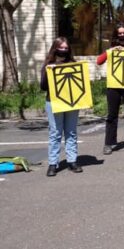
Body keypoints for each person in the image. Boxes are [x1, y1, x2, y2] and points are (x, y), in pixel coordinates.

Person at [96, 23, 124, 154]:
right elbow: (99, 61)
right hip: (114, 85)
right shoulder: (112, 47)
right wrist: (111, 51)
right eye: (120, 33)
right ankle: (109, 143)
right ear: (116, 35)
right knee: (112, 115)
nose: (122, 35)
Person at [40, 37, 82, 176]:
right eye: (61, 48)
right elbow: (43, 87)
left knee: (71, 132)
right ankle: (53, 163)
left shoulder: (73, 63)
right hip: (53, 102)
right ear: (55, 48)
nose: (63, 50)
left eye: (66, 48)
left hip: (71, 102)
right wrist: (48, 72)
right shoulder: (48, 64)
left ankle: (72, 161)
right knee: (55, 133)